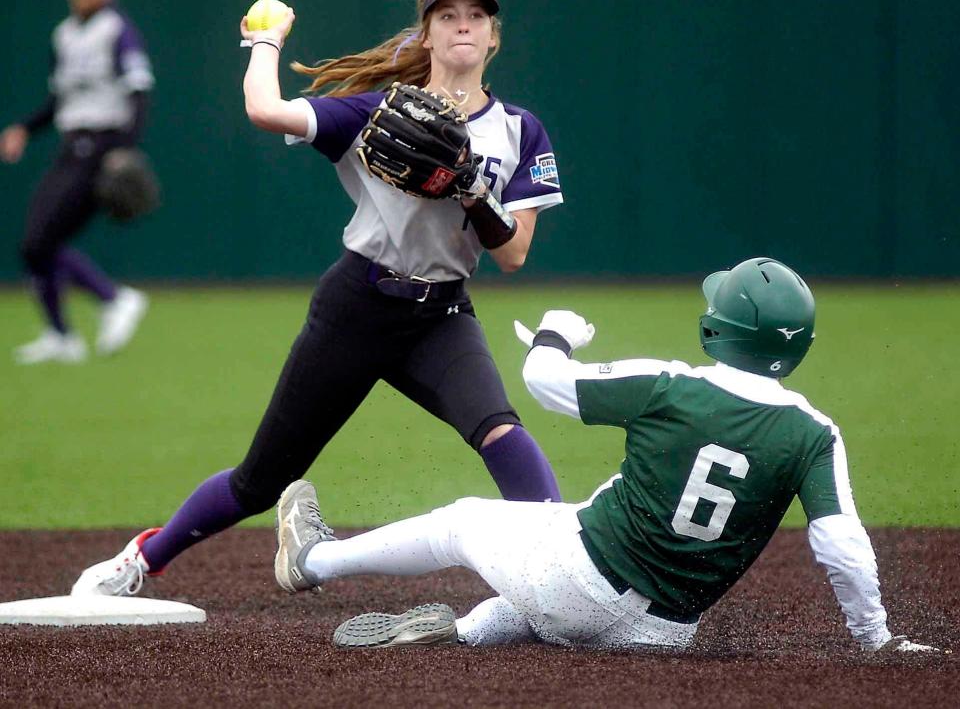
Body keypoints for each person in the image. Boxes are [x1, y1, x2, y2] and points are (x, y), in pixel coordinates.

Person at [71, 0, 564, 596]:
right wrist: (265, 41)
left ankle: (561, 562)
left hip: (438, 316)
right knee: (260, 481)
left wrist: (470, 185)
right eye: (448, 15)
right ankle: (143, 558)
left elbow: (514, 253)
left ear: (494, 36)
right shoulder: (377, 110)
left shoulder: (520, 129)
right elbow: (264, 110)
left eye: (476, 15)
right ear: (428, 34)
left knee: (500, 429)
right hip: (356, 307)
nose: (463, 24)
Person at [270, 257, 938, 653]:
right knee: (553, 562)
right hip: (666, 635)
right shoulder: (814, 431)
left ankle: (312, 560)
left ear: (720, 328)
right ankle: (471, 632)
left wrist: (556, 333)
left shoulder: (673, 387)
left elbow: (543, 382)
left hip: (579, 582)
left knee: (463, 521)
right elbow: (842, 544)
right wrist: (875, 638)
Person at [0, 0, 151, 364]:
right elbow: (59, 99)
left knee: (39, 241)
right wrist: (24, 129)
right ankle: (62, 335)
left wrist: (122, 150)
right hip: (71, 143)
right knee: (36, 245)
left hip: (101, 145)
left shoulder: (116, 30)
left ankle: (113, 299)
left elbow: (139, 93)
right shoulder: (64, 34)